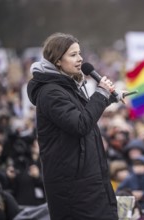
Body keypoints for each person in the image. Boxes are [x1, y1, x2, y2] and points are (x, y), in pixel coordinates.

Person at [27, 32, 125, 219]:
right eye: (73, 55)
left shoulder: (66, 86)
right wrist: (101, 93)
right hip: (74, 190)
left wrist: (110, 97)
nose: (80, 59)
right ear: (57, 60)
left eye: (79, 53)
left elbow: (83, 114)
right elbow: (80, 124)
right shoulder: (51, 93)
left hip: (87, 184)